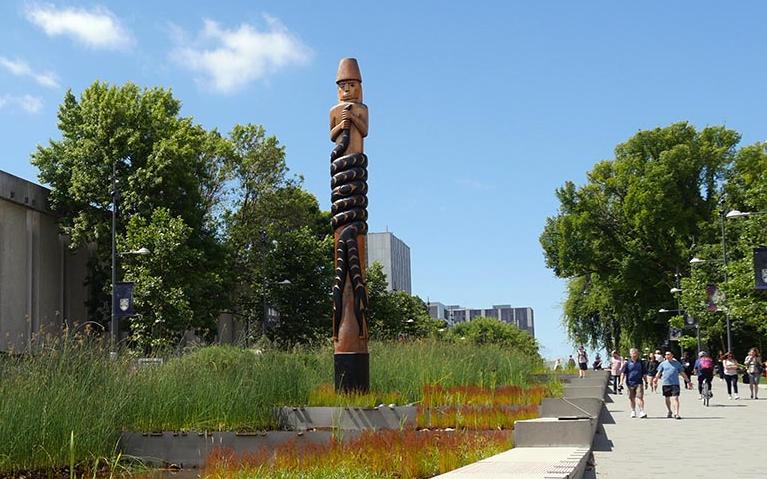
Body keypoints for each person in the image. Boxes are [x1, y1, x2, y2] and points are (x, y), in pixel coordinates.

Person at [654, 351, 692, 419]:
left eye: (668, 354)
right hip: (666, 383)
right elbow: (659, 372)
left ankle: (676, 413)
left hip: (675, 383)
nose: (667, 356)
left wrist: (688, 381)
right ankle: (669, 411)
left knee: (675, 398)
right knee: (667, 398)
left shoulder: (677, 364)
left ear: (672, 355)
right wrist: (655, 379)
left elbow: (682, 373)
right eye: (666, 355)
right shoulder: (663, 364)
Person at [621, 348, 647, 418]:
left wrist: (646, 381)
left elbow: (644, 373)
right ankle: (633, 411)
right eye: (633, 354)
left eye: (635, 354)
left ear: (637, 354)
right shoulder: (627, 363)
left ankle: (641, 411)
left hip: (639, 382)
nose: (634, 355)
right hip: (629, 383)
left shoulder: (641, 363)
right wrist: (621, 382)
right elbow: (623, 373)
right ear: (630, 355)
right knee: (632, 398)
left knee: (639, 397)